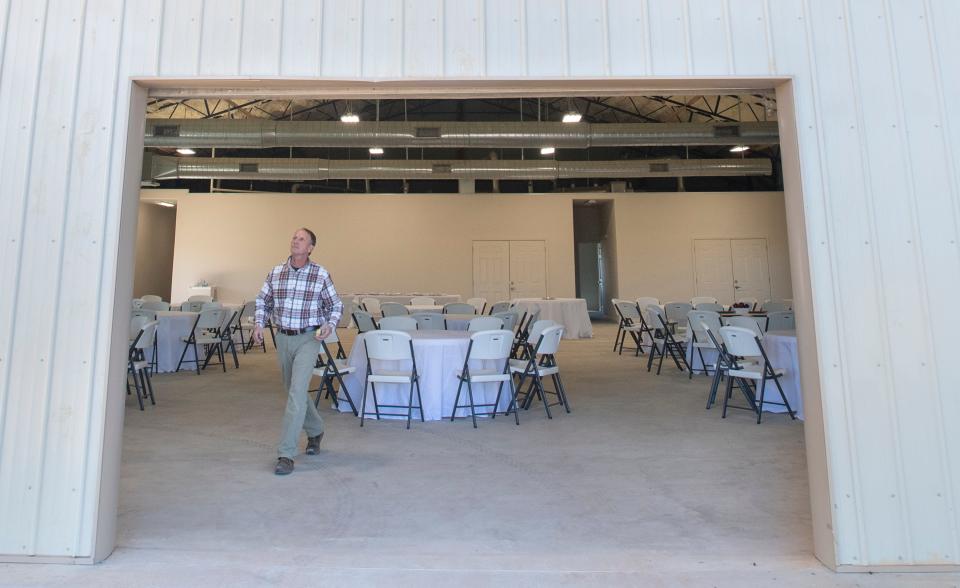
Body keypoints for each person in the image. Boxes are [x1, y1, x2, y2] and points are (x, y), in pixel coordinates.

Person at [254, 228, 343, 475]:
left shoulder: (320, 274)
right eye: (294, 237)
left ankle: (286, 454)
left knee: (295, 393)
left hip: (309, 338)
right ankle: (316, 430)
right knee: (294, 391)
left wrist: (330, 324)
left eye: (301, 239)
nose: (295, 241)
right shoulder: (276, 272)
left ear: (311, 247)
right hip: (283, 338)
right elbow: (263, 300)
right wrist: (259, 323)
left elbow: (335, 304)